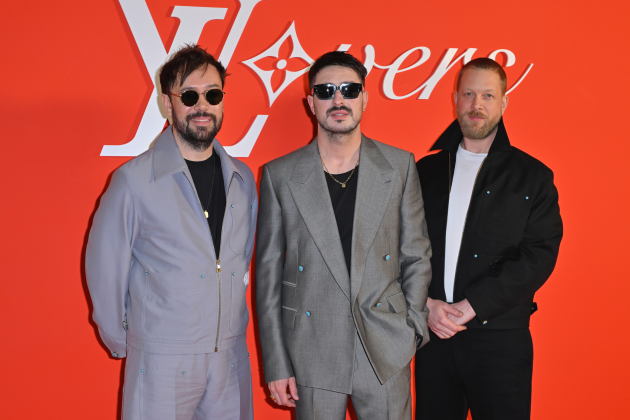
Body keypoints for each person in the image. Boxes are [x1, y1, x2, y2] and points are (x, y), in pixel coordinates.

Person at [255, 51, 432, 420]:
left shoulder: (399, 166)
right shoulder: (280, 175)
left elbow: (416, 253)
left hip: (385, 346)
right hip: (311, 347)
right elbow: (267, 275)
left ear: (364, 98)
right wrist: (276, 362)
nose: (338, 99)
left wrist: (411, 329)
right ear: (311, 102)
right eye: (326, 91)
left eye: (349, 90)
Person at [86, 45, 257, 420]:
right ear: (168, 103)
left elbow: (239, 263)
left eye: (213, 94)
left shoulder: (244, 180)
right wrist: (127, 341)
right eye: (189, 95)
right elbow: (105, 269)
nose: (202, 106)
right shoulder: (132, 181)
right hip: (161, 360)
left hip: (229, 359)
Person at [415, 57, 563, 419]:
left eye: (487, 95)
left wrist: (472, 305)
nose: (476, 104)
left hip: (501, 341)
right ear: (455, 99)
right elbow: (404, 248)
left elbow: (538, 256)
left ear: (504, 102)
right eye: (468, 94)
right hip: (434, 338)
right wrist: (428, 305)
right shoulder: (425, 171)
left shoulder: (533, 177)